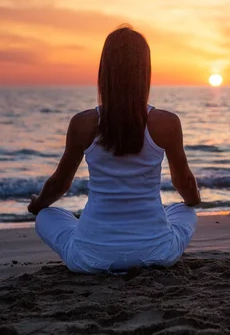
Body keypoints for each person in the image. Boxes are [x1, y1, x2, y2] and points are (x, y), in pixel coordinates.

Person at [27, 25, 201, 273]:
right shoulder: (166, 122)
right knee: (184, 212)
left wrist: (37, 205)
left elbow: (59, 184)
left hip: (90, 257)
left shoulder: (83, 123)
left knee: (47, 217)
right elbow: (183, 181)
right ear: (145, 72)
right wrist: (194, 200)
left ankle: (94, 234)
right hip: (157, 253)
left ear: (104, 72)